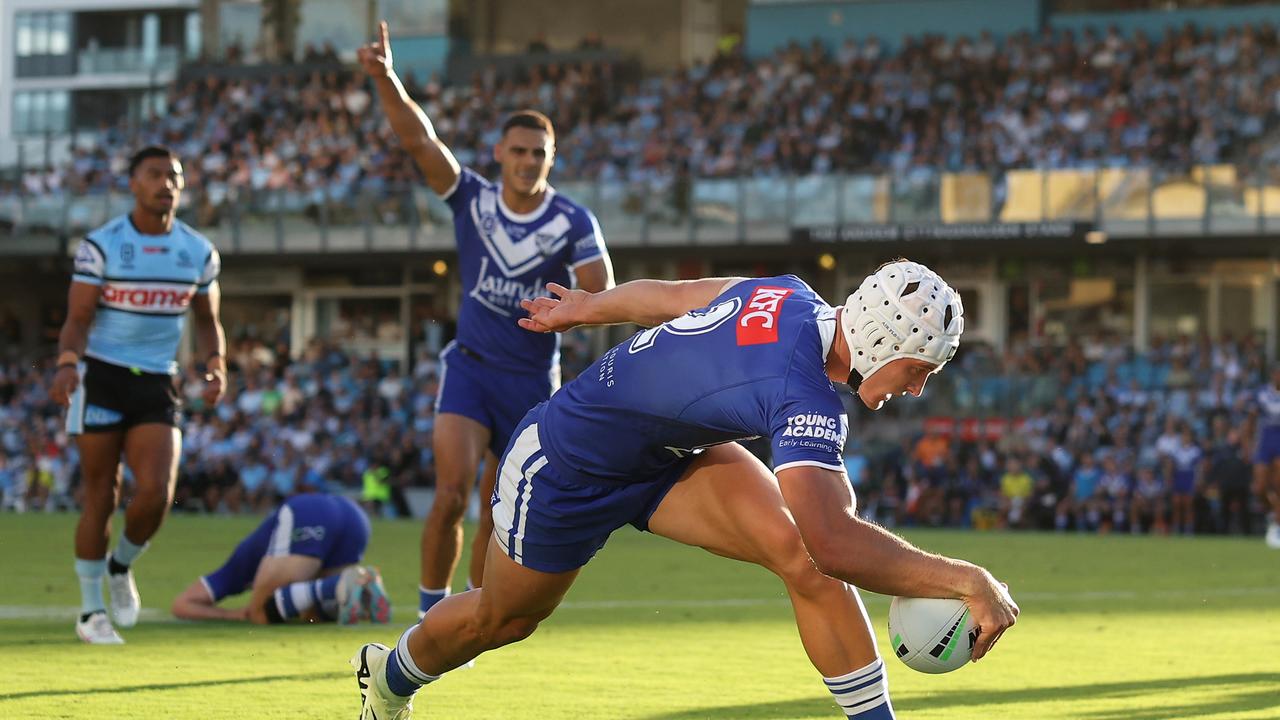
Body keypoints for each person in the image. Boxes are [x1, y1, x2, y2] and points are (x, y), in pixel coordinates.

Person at [349, 260, 1018, 719]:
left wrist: (588, 310)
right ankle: (389, 677)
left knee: (800, 558)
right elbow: (837, 539)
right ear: (882, 339)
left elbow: (675, 296)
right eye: (921, 367)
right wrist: (966, 579)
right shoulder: (802, 391)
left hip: (667, 456)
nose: (918, 385)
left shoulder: (790, 294)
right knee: (503, 618)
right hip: (565, 467)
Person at [357, 21, 615, 618]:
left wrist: (574, 312)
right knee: (448, 496)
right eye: (518, 151)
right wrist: (386, 78)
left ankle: (470, 618)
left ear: (553, 159)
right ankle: (427, 613)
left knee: (498, 511)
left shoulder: (572, 221)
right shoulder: (472, 199)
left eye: (539, 154)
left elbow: (601, 287)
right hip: (470, 369)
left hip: (530, 380)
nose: (528, 162)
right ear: (499, 153)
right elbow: (420, 142)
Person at [49, 146, 226, 645]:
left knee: (156, 493)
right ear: (133, 184)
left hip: (155, 380)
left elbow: (208, 322)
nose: (165, 183)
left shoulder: (197, 251)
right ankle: (90, 613)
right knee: (100, 496)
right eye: (153, 175)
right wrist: (66, 365)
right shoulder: (101, 245)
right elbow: (78, 318)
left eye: (173, 176)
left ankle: (121, 565)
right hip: (100, 376)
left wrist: (216, 366)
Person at [171, 493, 391, 625]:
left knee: (260, 613)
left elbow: (181, 605)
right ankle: (364, 592)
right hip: (354, 516)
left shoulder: (234, 571)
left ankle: (339, 584)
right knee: (312, 613)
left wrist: (232, 615)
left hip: (307, 513)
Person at [1254, 366, 1280, 547]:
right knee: (1260, 488)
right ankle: (1271, 514)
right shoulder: (1262, 393)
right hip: (1265, 443)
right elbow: (1251, 417)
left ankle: (1276, 526)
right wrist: (1247, 443)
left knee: (1278, 486)